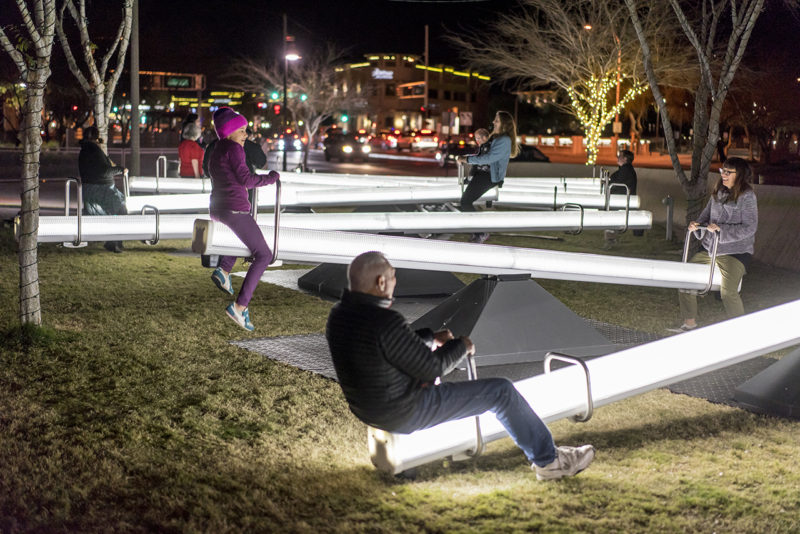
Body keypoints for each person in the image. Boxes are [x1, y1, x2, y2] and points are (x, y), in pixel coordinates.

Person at [325, 251, 596, 480]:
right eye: (394, 276)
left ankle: (408, 465)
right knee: (500, 392)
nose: (396, 281)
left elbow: (389, 348)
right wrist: (461, 346)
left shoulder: (339, 316)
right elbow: (431, 368)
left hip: (369, 408)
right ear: (381, 282)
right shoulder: (384, 321)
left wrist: (431, 338)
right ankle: (550, 462)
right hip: (404, 410)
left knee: (456, 390)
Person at [207, 107, 280, 331]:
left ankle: (224, 270)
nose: (245, 135)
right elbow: (247, 180)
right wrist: (270, 178)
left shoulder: (217, 149)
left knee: (243, 237)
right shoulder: (235, 149)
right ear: (229, 132)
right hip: (234, 209)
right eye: (242, 130)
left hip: (218, 208)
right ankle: (240, 307)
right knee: (264, 255)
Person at [669, 157, 758, 332]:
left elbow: (750, 227)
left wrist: (721, 231)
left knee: (728, 292)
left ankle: (741, 332)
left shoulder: (747, 196)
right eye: (722, 171)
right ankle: (689, 324)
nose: (723, 175)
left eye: (728, 172)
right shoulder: (718, 192)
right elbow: (706, 215)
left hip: (736, 253)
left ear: (738, 175)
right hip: (710, 249)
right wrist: (697, 225)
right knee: (685, 279)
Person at [457, 111, 519, 244]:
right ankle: (478, 232)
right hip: (482, 174)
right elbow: (482, 155)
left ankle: (481, 232)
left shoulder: (504, 140)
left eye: (497, 120)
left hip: (489, 176)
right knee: (465, 202)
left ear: (504, 124)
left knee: (465, 202)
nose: (493, 122)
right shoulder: (495, 137)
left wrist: (467, 159)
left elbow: (490, 158)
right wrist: (466, 158)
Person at [78, 125, 127, 253]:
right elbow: (104, 171)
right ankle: (115, 241)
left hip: (92, 189)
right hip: (102, 189)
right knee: (120, 210)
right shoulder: (93, 151)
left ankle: (113, 241)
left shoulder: (85, 150)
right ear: (96, 138)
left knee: (111, 214)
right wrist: (120, 169)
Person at [605, 149, 643, 243]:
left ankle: (611, 237)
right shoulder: (625, 169)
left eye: (619, 156)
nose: (617, 158)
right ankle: (611, 235)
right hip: (623, 198)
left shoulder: (625, 170)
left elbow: (616, 184)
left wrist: (608, 186)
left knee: (609, 212)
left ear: (625, 159)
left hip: (622, 199)